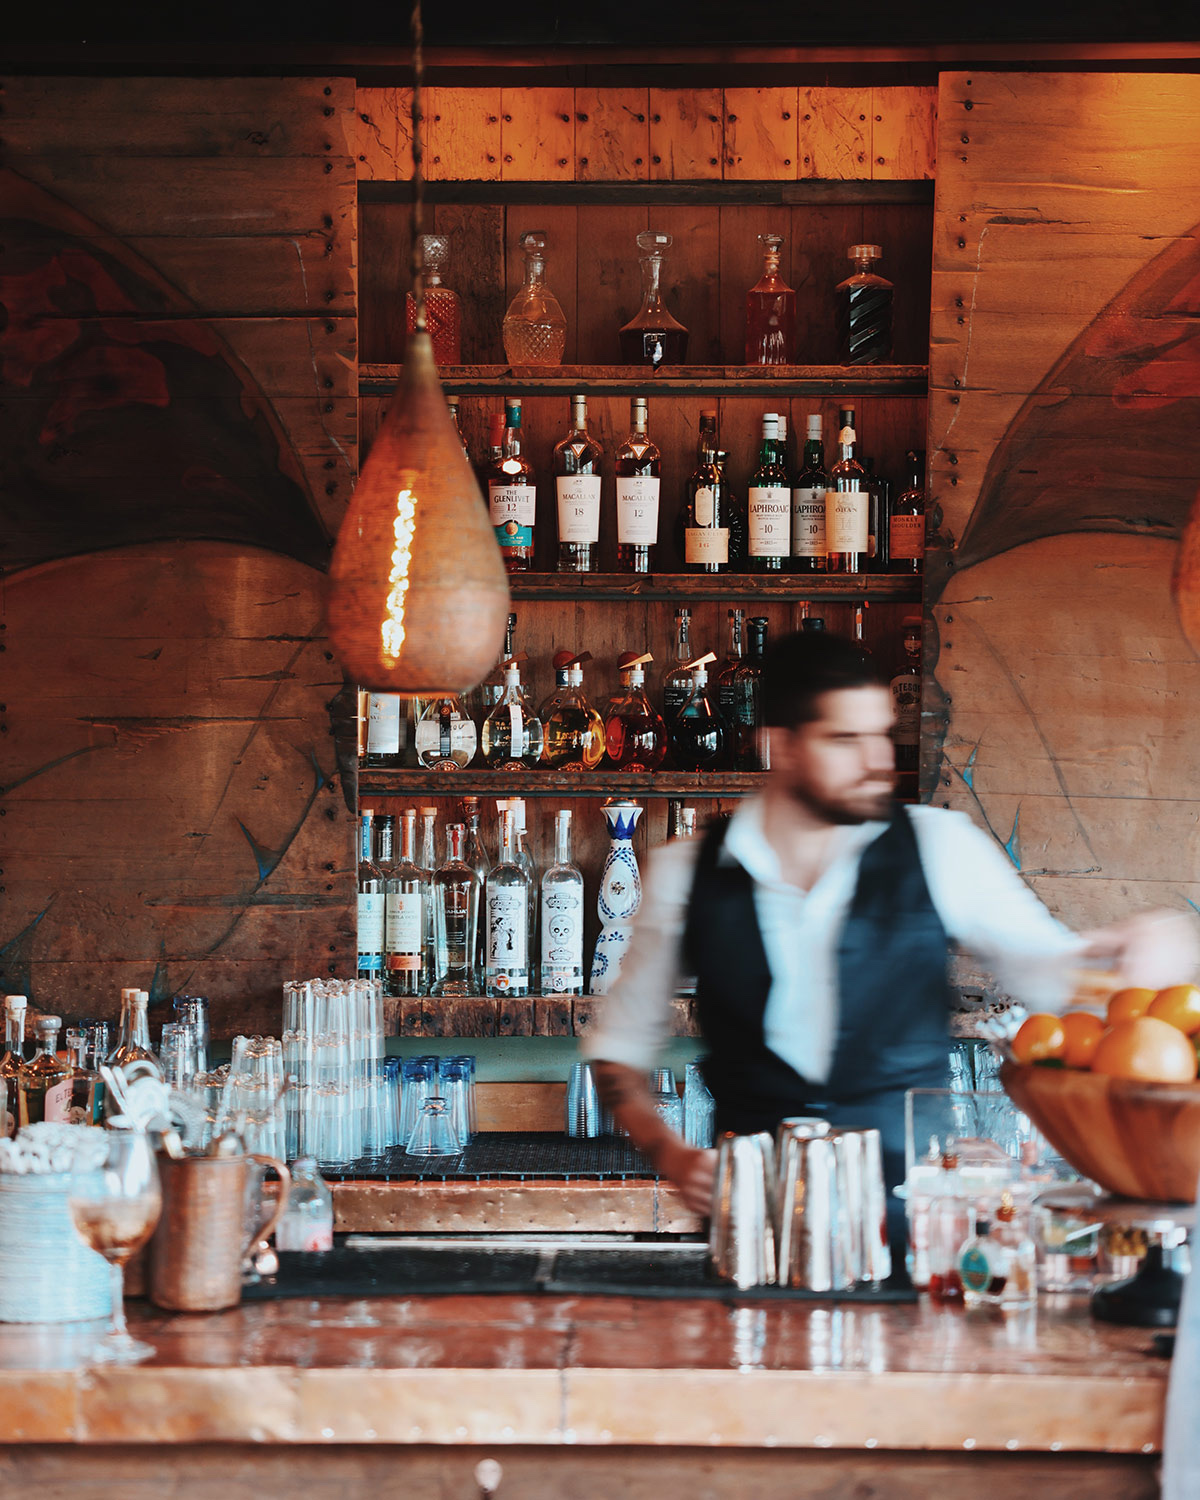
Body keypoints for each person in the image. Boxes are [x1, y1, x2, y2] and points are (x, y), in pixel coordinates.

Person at [582, 629, 1199, 1233]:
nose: (877, 761)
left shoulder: (940, 847)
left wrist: (1130, 953)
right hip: (758, 1230)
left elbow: (1054, 973)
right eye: (845, 740)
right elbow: (619, 1051)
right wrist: (671, 1154)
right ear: (781, 746)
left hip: (912, 1227)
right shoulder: (686, 873)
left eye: (879, 733)